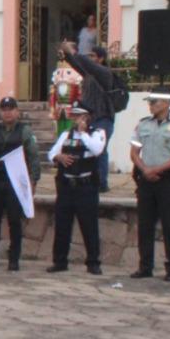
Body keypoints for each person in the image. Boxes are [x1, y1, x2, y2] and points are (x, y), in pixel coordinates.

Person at [129, 86, 170, 282]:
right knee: (145, 224)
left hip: (167, 180)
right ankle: (145, 266)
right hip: (146, 179)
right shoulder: (143, 125)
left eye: (154, 102)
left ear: (166, 103)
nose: (150, 106)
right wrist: (145, 169)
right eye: (149, 102)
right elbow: (134, 152)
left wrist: (157, 170)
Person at [0, 96, 40, 271]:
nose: (8, 112)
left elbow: (34, 156)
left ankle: (14, 258)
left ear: (17, 112)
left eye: (11, 109)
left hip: (15, 184)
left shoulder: (24, 131)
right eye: (4, 109)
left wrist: (34, 180)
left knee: (14, 220)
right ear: (0, 112)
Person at [47, 103, 106, 275]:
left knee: (89, 226)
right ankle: (60, 261)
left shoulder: (97, 133)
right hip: (67, 186)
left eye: (80, 116)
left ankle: (93, 262)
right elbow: (51, 154)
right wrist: (59, 156)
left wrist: (83, 134)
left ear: (88, 117)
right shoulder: (66, 134)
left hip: (86, 186)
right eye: (75, 116)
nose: (76, 119)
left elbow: (97, 150)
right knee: (62, 225)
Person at [60, 41, 116, 192]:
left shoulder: (104, 73)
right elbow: (79, 65)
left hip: (103, 117)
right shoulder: (89, 74)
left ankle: (102, 183)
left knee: (100, 149)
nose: (90, 58)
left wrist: (74, 52)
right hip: (90, 118)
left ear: (101, 59)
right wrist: (67, 54)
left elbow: (85, 64)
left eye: (93, 56)